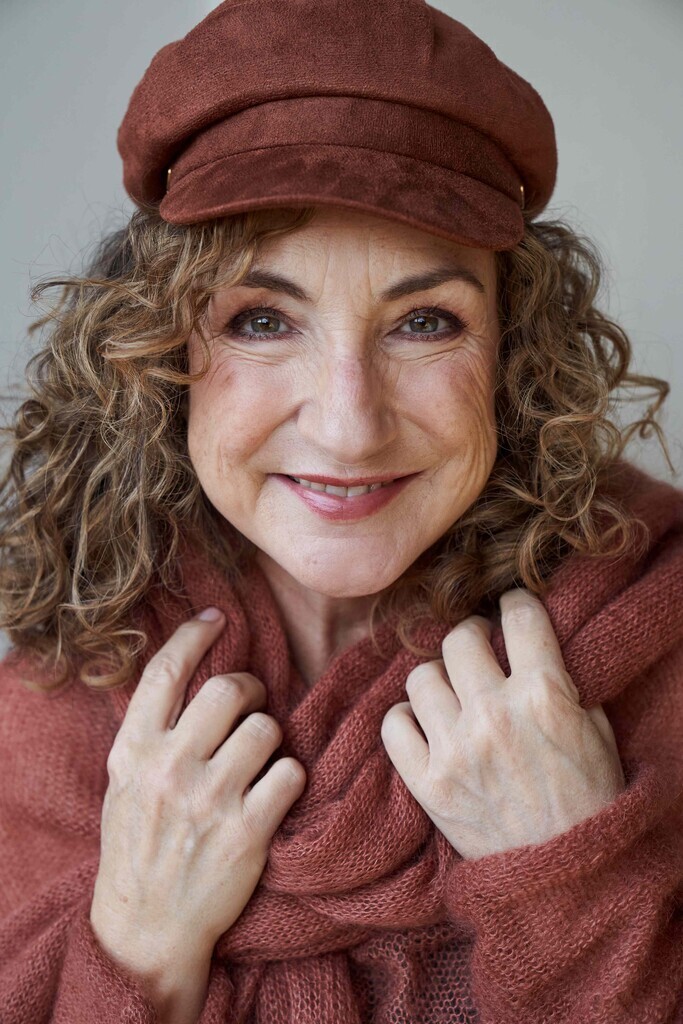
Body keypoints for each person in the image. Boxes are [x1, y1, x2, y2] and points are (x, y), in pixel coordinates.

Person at [0, 1, 681, 1022]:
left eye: (424, 321)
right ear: (160, 354)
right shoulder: (53, 710)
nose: (349, 425)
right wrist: (137, 944)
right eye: (262, 320)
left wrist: (574, 887)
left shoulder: (660, 640)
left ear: (513, 354)